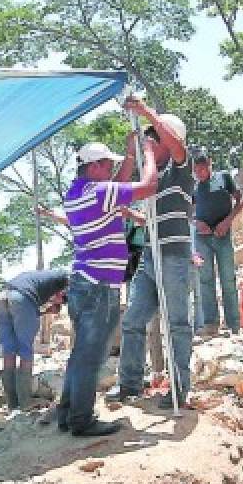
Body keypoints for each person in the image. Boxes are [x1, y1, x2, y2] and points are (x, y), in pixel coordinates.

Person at [58, 129, 159, 437]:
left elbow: (117, 186)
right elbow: (148, 186)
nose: (111, 171)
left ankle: (67, 413)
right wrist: (148, 153)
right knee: (90, 357)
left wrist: (128, 155)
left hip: (83, 283)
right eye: (107, 165)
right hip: (99, 287)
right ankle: (82, 420)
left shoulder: (78, 194)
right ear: (95, 167)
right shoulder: (98, 194)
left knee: (80, 354)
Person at [115, 99, 196, 408]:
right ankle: (129, 384)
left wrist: (147, 113)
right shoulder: (153, 173)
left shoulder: (181, 166)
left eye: (155, 135)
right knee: (133, 320)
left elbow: (175, 147)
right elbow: (120, 190)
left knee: (177, 324)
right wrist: (131, 154)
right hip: (151, 256)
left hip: (174, 256)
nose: (150, 139)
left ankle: (178, 388)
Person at [0, 269, 68, 410]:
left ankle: (12, 403)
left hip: (2, 297)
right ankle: (25, 401)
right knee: (26, 350)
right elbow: (24, 304)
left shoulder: (38, 280)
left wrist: (46, 310)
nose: (61, 303)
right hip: (21, 299)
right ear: (62, 292)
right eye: (63, 300)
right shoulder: (65, 277)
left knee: (8, 351)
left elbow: (26, 308)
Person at [192, 152, 243, 336]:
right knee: (205, 280)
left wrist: (228, 221)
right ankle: (211, 324)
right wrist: (197, 222)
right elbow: (188, 212)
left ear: (210, 164)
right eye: (196, 170)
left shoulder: (224, 178)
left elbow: (241, 200)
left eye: (203, 168)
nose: (200, 173)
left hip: (223, 235)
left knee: (228, 279)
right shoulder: (193, 187)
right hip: (202, 238)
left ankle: (234, 324)